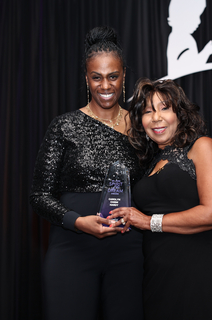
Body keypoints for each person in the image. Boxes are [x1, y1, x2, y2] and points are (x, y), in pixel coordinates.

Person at [29, 26, 144, 320]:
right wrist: (78, 222)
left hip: (128, 252)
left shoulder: (142, 128)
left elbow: (159, 180)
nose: (105, 85)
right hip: (72, 249)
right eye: (97, 77)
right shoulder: (64, 126)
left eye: (113, 76)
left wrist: (202, 177)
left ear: (124, 75)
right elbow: (39, 196)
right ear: (86, 78)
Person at [108, 78, 212, 320]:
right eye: (148, 111)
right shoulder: (148, 164)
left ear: (180, 113)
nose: (156, 117)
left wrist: (149, 222)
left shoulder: (202, 146)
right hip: (157, 274)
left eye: (164, 108)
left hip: (198, 271)